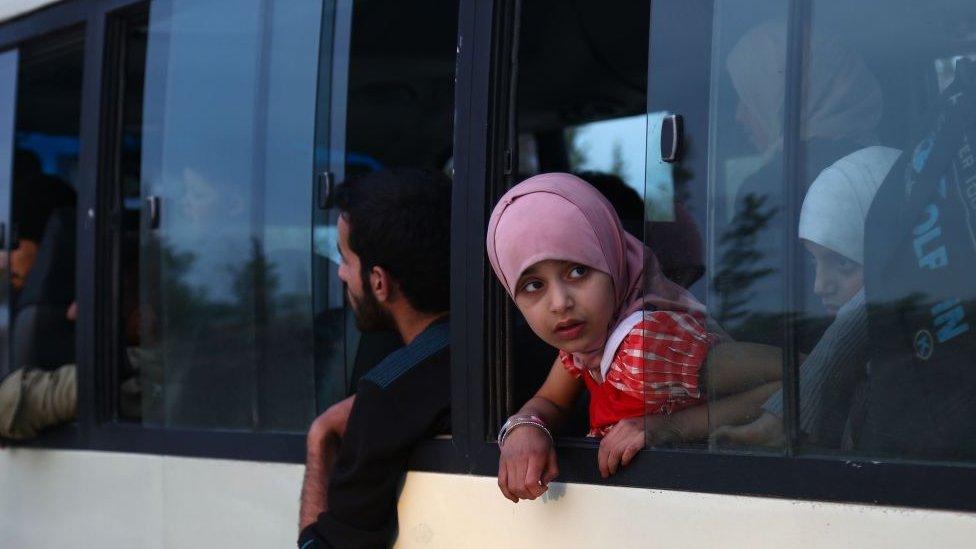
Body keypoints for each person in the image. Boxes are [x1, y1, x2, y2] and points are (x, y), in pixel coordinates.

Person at [487, 173, 781, 501]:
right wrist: (525, 427)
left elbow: (797, 379)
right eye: (532, 285)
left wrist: (674, 426)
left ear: (613, 257)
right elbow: (552, 401)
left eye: (578, 271)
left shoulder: (647, 349)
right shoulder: (587, 345)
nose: (560, 303)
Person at [298, 168, 452, 548]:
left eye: (345, 259)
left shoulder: (390, 390)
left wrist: (320, 437)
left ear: (380, 282)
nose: (339, 274)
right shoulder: (526, 338)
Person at [714, 146, 901, 447]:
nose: (819, 285)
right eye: (815, 262)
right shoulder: (864, 369)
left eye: (843, 263)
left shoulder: (920, 370)